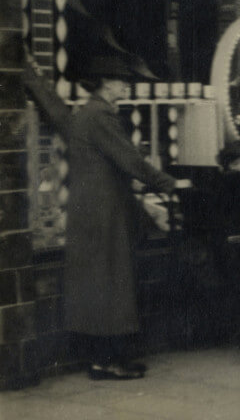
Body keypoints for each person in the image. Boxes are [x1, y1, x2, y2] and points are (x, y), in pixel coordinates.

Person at [23, 52, 189, 380]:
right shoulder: (101, 116)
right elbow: (129, 160)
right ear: (107, 84)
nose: (125, 86)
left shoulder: (89, 113)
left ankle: (100, 361)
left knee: (99, 288)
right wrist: (169, 184)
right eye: (121, 80)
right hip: (105, 215)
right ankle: (111, 362)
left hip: (91, 213)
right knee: (113, 287)